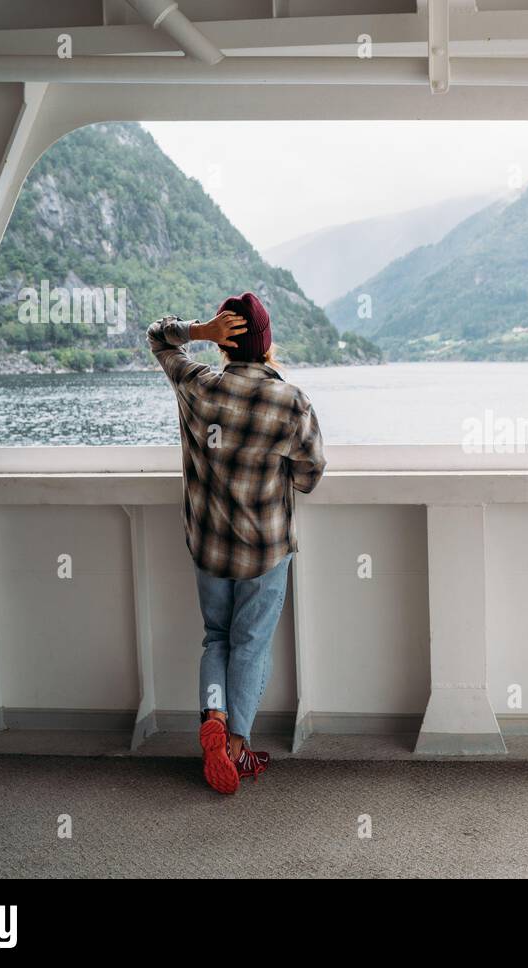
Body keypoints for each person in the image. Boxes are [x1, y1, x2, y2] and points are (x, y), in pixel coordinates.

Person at [147, 292, 325, 795]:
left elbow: (158, 336)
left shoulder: (198, 385)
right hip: (265, 549)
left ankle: (213, 717)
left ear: (226, 345)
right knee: (250, 644)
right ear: (266, 346)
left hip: (209, 547)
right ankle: (237, 747)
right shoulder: (289, 400)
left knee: (216, 638)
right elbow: (310, 476)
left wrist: (198, 331)